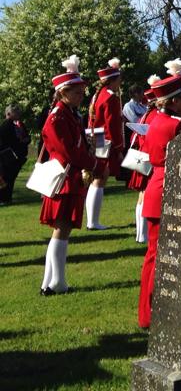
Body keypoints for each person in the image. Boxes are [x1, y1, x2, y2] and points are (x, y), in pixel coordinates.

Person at [138, 67, 181, 327]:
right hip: (170, 188)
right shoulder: (178, 124)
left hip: (154, 188)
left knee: (153, 254)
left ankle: (148, 311)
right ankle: (157, 310)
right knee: (166, 254)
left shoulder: (154, 120)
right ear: (175, 101)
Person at [38, 55, 97, 295]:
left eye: (82, 92)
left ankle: (50, 283)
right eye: (77, 93)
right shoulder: (57, 118)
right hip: (63, 178)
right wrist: (92, 162)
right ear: (63, 92)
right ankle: (57, 282)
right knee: (61, 230)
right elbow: (67, 151)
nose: (81, 97)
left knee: (63, 231)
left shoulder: (70, 114)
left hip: (70, 177)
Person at [85, 57, 125, 231]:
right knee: (100, 179)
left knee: (97, 179)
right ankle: (93, 221)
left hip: (94, 137)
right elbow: (112, 125)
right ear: (114, 80)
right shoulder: (110, 98)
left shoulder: (97, 96)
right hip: (104, 139)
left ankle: (91, 220)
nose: (120, 84)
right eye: (119, 80)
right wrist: (118, 147)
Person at [127, 79, 159, 244]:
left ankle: (141, 234)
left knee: (142, 196)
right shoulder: (155, 116)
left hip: (142, 156)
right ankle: (143, 234)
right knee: (146, 196)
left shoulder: (146, 115)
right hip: (150, 158)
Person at [0, 104, 30, 205]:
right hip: (9, 156)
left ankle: (7, 198)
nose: (18, 113)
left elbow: (25, 137)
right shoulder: (7, 125)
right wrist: (21, 141)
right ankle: (4, 198)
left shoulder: (17, 124)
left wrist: (24, 140)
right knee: (7, 177)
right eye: (15, 112)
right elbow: (8, 141)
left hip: (15, 155)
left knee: (10, 177)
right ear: (9, 113)